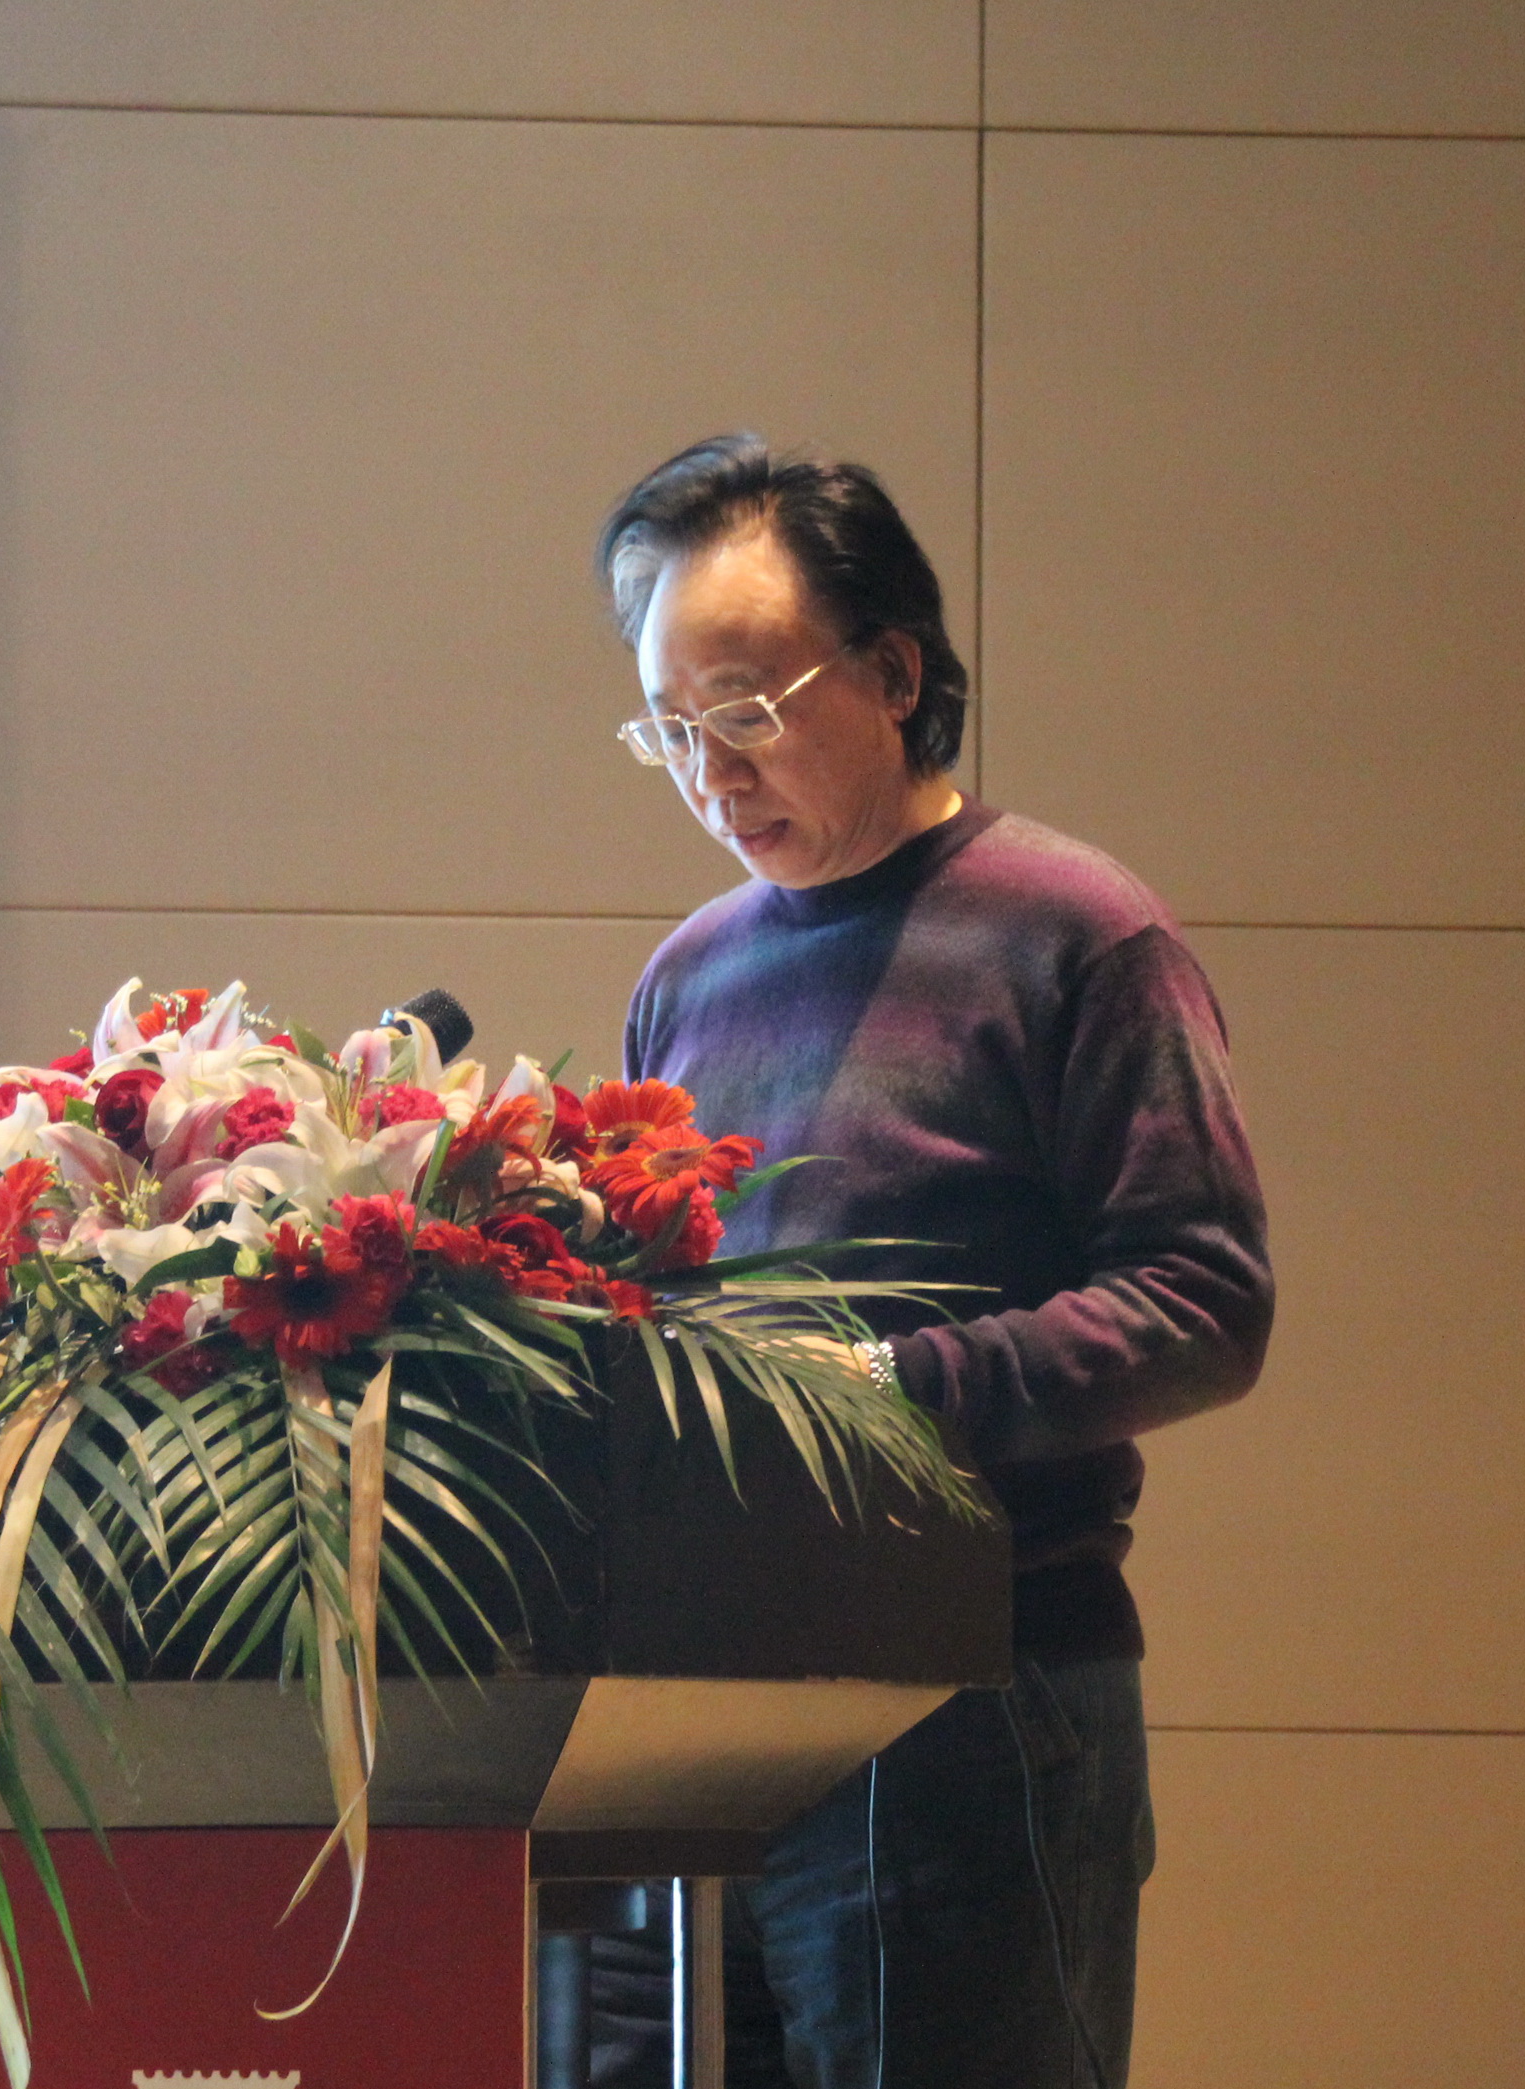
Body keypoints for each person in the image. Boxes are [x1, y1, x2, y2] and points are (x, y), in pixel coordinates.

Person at [591, 435, 1274, 2089]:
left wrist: (888, 1392)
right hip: (700, 1708)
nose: (709, 773)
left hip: (980, 1694)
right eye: (668, 728)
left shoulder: (1070, 932)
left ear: (895, 675)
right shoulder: (685, 977)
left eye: (743, 711)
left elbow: (1203, 1298)